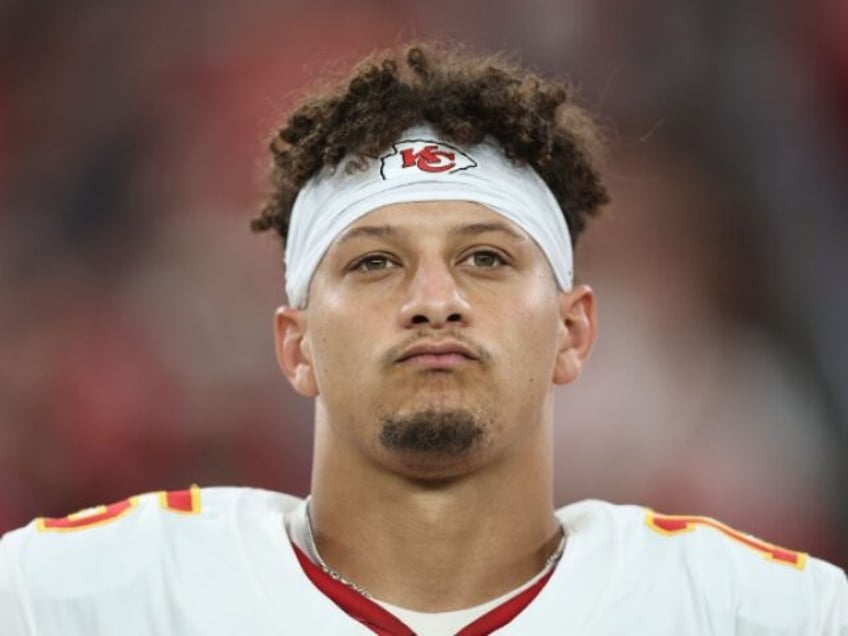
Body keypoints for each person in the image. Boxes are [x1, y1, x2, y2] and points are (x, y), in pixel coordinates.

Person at [1, 42, 846, 636]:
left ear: (573, 331)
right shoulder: (78, 598)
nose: (434, 301)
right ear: (294, 345)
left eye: (485, 258)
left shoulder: (760, 614)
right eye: (374, 263)